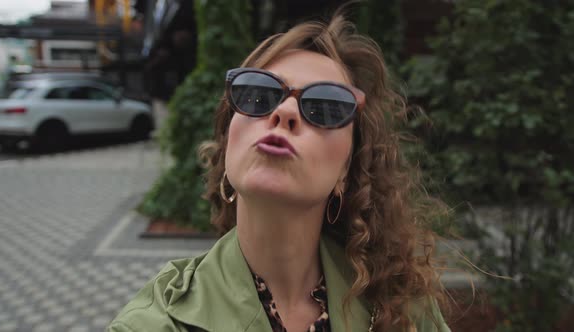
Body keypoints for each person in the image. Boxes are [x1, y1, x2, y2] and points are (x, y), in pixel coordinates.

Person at [108, 13, 450, 332]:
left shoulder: (404, 306)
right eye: (259, 95)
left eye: (325, 106)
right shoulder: (155, 322)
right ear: (228, 145)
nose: (285, 111)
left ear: (346, 169)